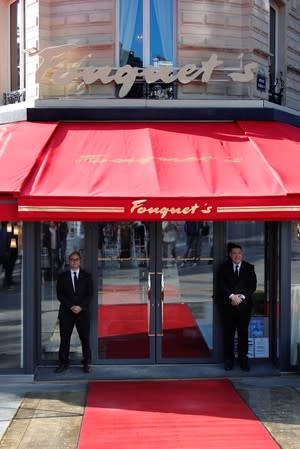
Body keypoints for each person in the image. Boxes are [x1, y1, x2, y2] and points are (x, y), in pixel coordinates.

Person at [217, 243, 257, 372]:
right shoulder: (223, 268)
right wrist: (232, 296)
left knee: (243, 334)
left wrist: (241, 298)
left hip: (244, 307)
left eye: (239, 253)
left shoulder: (249, 268)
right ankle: (229, 361)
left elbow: (252, 287)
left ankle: (243, 360)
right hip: (228, 307)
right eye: (234, 253)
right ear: (230, 255)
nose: (237, 256)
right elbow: (221, 286)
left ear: (242, 254)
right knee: (228, 335)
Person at [54, 251, 93, 373]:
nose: (74, 261)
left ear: (80, 261)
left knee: (85, 338)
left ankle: (86, 362)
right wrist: (71, 306)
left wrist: (80, 307)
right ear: (68, 261)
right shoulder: (62, 276)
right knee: (65, 339)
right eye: (72, 259)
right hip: (66, 312)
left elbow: (90, 294)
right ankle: (63, 363)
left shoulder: (87, 276)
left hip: (82, 313)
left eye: (76, 259)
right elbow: (60, 295)